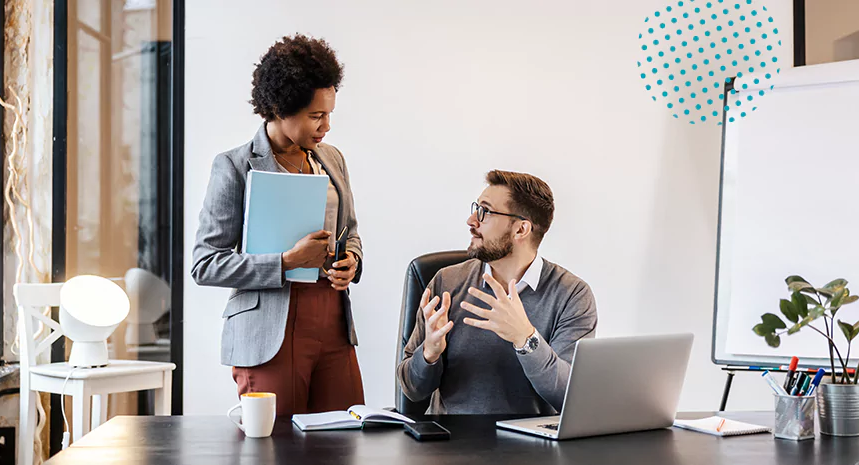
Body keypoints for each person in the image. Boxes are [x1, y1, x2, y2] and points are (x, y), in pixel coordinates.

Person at [192, 34, 364, 415]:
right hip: (270, 329)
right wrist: (286, 261)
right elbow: (205, 264)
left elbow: (349, 230)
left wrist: (351, 258)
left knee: (347, 441)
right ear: (278, 108)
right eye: (316, 116)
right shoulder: (234, 166)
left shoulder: (331, 159)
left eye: (329, 114)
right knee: (277, 448)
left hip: (333, 322)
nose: (327, 126)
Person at [397, 170, 597, 415]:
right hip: (450, 444)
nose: (471, 221)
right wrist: (429, 354)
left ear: (521, 229)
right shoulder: (446, 282)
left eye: (485, 211)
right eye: (475, 208)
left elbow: (568, 397)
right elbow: (412, 389)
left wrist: (526, 339)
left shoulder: (572, 295)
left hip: (531, 447)